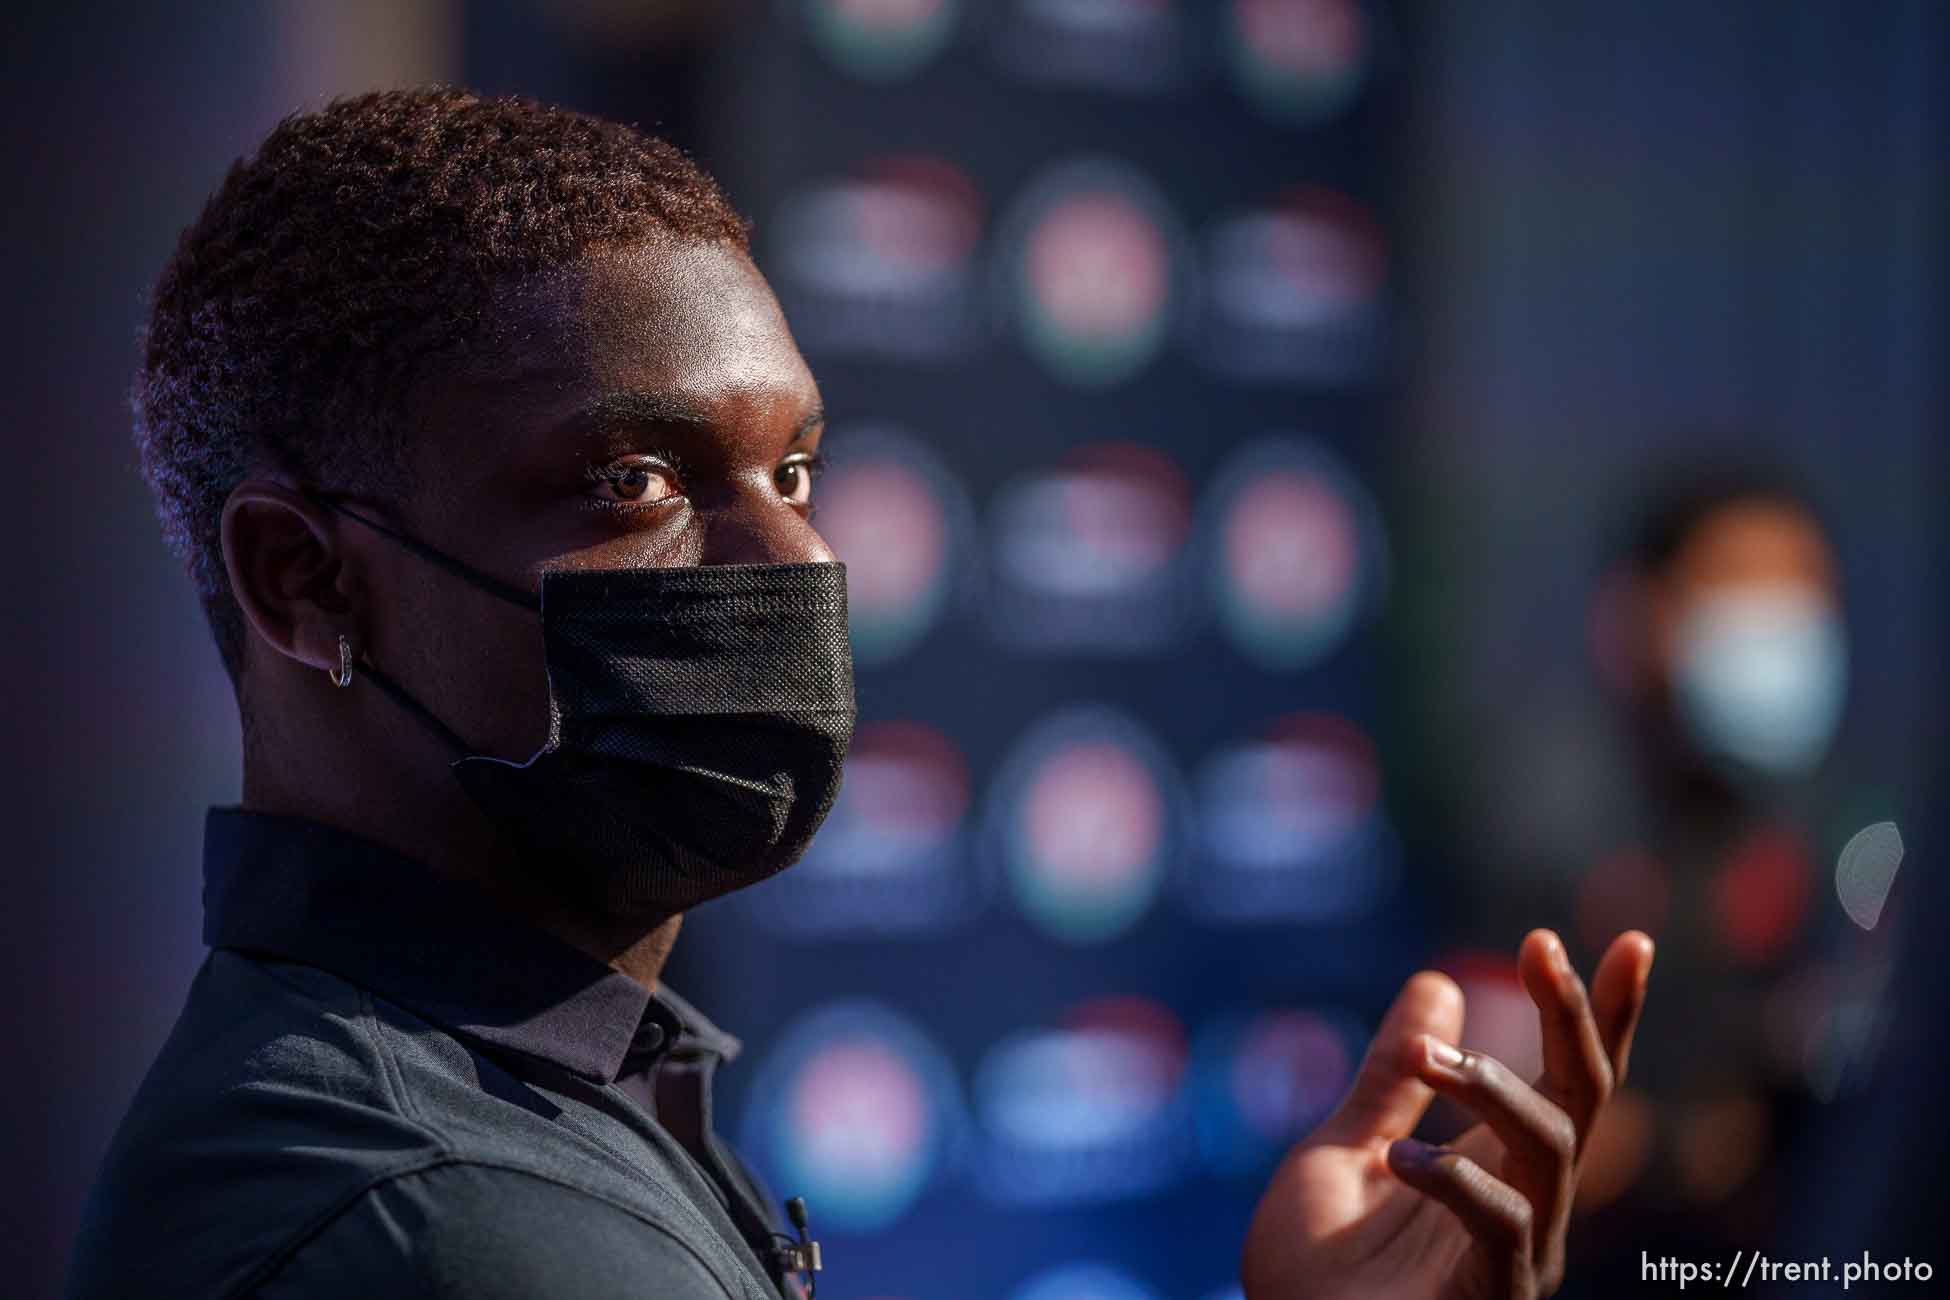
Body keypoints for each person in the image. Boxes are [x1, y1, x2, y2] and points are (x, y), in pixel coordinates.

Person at [65, 88, 1652, 1300]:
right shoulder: (438, 1219)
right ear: (303, 581)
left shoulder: (518, 1085)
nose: (793, 556)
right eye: (634, 478)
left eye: (797, 467)